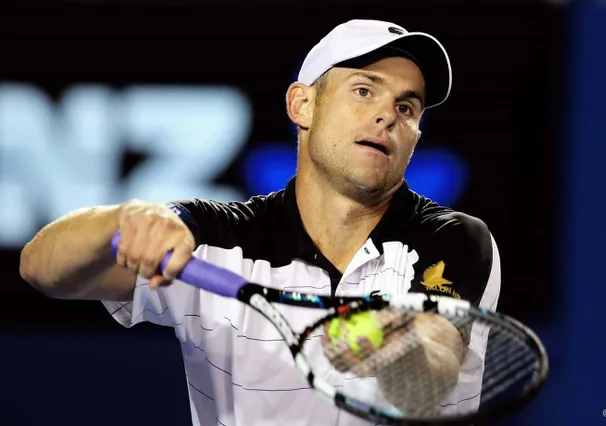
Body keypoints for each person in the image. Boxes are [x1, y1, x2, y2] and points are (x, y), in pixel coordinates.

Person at [20, 19, 501, 426]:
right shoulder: (211, 237)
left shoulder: (455, 238)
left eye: (406, 107)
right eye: (363, 90)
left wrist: (388, 341)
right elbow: (41, 269)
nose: (387, 117)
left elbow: (432, 372)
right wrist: (120, 220)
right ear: (302, 105)